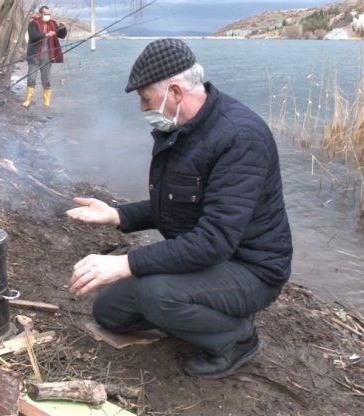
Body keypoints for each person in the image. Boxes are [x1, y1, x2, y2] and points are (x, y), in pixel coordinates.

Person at [65, 38, 293, 379]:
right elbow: (176, 206)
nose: (143, 109)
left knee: (156, 294)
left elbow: (214, 239)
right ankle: (195, 313)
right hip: (207, 260)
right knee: (110, 313)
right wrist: (118, 214)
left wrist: (126, 263)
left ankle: (238, 338)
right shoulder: (182, 131)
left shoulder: (240, 137)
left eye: (146, 99)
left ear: (174, 92)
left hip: (251, 269)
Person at [22, 6, 67, 108]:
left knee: (46, 80)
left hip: (47, 57)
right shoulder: (33, 23)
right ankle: (28, 101)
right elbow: (33, 36)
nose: (48, 16)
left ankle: (46, 103)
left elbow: (61, 35)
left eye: (49, 14)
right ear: (40, 14)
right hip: (34, 56)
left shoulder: (53, 24)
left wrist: (63, 28)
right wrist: (46, 34)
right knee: (31, 78)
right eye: (46, 14)